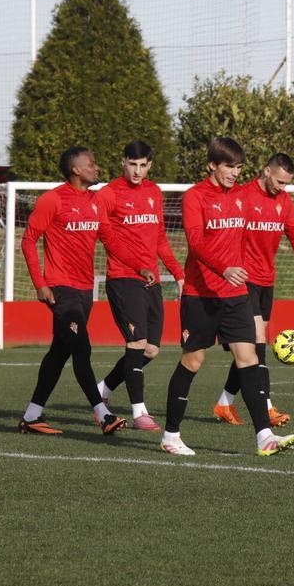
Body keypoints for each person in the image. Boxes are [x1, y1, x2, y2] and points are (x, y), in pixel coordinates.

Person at [160, 136, 294, 457]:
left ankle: (264, 436)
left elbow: (264, 216)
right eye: (228, 166)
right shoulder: (195, 196)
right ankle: (170, 435)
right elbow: (195, 242)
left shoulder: (242, 196)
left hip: (236, 294)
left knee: (248, 359)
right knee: (193, 361)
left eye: (238, 167)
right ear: (212, 164)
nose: (234, 173)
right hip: (201, 295)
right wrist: (224, 268)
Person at [17, 146, 125, 436]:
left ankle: (31, 416)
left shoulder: (94, 202)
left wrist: (139, 267)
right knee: (82, 348)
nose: (97, 168)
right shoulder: (52, 199)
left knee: (59, 353)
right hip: (60, 289)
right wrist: (40, 283)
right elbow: (28, 241)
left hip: (84, 289)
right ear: (76, 170)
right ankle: (103, 415)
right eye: (92, 164)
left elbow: (110, 240)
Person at [213, 152, 294, 427]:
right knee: (258, 344)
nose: (281, 187)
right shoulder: (243, 196)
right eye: (278, 181)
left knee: (248, 348)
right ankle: (267, 407)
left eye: (286, 183)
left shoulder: (283, 202)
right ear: (266, 171)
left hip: (266, 282)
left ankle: (225, 402)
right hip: (242, 280)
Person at [94, 140, 185, 432]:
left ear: (149, 165)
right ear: (123, 162)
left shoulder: (154, 192)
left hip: (152, 280)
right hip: (123, 278)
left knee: (150, 350)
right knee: (135, 344)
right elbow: (107, 237)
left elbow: (159, 237)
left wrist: (178, 274)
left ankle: (102, 389)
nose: (137, 170)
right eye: (132, 164)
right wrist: (138, 266)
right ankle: (139, 413)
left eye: (142, 165)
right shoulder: (108, 194)